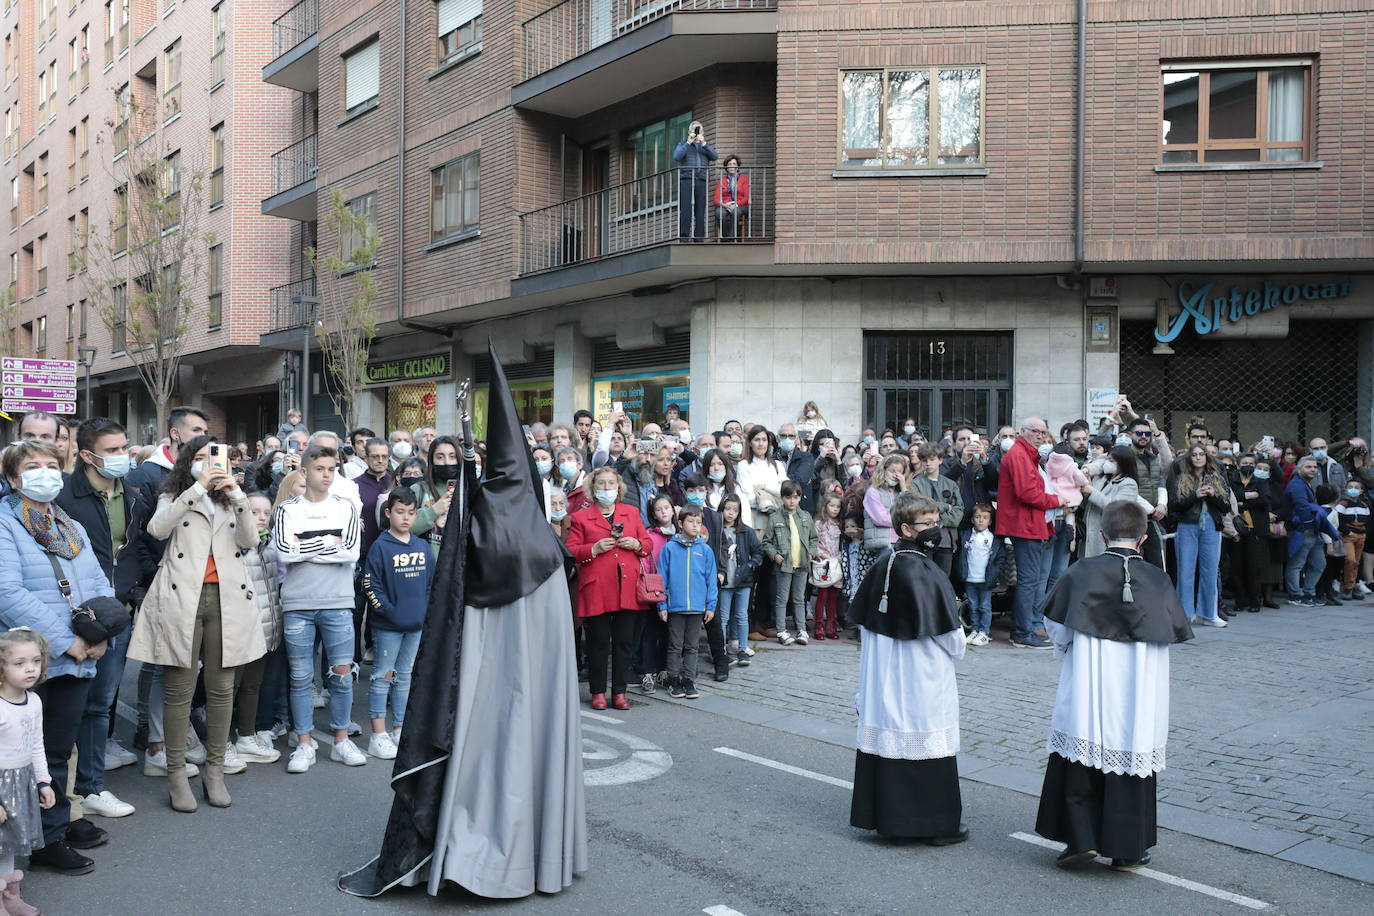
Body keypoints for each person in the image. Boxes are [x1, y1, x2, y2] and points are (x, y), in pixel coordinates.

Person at [1035, 501, 1193, 872]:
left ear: (1103, 535)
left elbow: (1056, 626)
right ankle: (1127, 849)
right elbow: (1169, 631)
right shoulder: (1157, 578)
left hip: (1091, 678)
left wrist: (1069, 646)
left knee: (1083, 745)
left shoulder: (1082, 572)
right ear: (1142, 539)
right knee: (1131, 749)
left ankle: (1081, 839)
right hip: (1139, 688)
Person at [127, 436, 265, 811]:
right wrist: (197, 488)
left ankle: (215, 771)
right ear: (187, 461)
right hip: (181, 596)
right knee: (179, 688)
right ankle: (175, 774)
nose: (208, 463)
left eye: (214, 458)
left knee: (222, 688)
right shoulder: (174, 493)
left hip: (228, 597)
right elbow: (157, 529)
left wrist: (236, 494)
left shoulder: (232, 495)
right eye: (200, 457)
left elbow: (250, 540)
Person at [0, 440, 114, 875]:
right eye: (32, 467)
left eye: (52, 465)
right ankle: (39, 839)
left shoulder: (68, 524)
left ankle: (54, 826)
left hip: (79, 653)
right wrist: (66, 640)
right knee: (26, 750)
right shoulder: (6, 523)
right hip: (31, 656)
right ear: (13, 478)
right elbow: (8, 592)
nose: (46, 473)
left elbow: (98, 582)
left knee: (58, 746)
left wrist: (102, 632)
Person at [848, 494, 967, 846]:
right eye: (927, 524)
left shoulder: (884, 561)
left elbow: (866, 623)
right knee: (924, 743)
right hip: (921, 677)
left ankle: (890, 820)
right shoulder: (925, 570)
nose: (935, 530)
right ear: (905, 528)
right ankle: (935, 825)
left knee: (892, 740)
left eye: (936, 521)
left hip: (884, 673)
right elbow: (952, 639)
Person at [54, 418, 138, 820]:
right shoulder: (65, 498)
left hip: (118, 611)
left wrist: (134, 588)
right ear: (88, 456)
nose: (124, 456)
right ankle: (60, 795)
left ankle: (90, 787)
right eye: (115, 450)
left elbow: (139, 546)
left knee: (101, 704)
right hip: (76, 619)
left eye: (125, 447)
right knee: (69, 705)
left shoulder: (134, 491)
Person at [274, 445, 364, 774]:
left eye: (332, 469)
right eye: (320, 468)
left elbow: (351, 552)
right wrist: (329, 541)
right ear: (305, 472)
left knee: (341, 676)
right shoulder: (287, 510)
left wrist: (306, 545)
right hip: (297, 604)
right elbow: (284, 551)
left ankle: (341, 740)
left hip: (338, 602)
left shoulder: (346, 508)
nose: (326, 474)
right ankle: (304, 743)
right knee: (300, 678)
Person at [567, 467, 652, 711]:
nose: (606, 488)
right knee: (598, 643)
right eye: (601, 484)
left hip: (627, 587)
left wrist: (637, 544)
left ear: (619, 488)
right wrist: (593, 549)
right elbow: (571, 550)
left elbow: (646, 543)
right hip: (597, 588)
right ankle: (597, 692)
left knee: (624, 643)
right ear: (593, 489)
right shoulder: (582, 517)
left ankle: (620, 692)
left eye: (611, 484)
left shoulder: (631, 512)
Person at [362, 487, 435, 761]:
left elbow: (430, 583)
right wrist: (390, 612)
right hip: (388, 626)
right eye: (400, 512)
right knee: (383, 676)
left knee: (405, 677)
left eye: (411, 513)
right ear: (388, 513)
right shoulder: (381, 547)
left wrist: (423, 612)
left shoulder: (421, 546)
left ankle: (400, 728)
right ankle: (378, 734)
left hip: (415, 625)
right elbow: (370, 585)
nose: (406, 518)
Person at [0, 628, 56, 915]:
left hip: (20, 781)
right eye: (19, 663)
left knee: (8, 843)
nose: (30, 668)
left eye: (35, 660)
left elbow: (36, 744)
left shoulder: (33, 702)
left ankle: (9, 897)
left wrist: (43, 781)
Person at [995, 418, 1064, 649]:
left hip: (1029, 524)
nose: (1040, 436)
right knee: (1029, 581)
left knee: (1030, 580)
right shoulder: (1019, 455)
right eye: (1035, 431)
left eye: (1043, 432)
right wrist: (1058, 501)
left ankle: (1023, 630)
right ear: (1022, 432)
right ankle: (1022, 633)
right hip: (1025, 525)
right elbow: (1027, 493)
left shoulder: (1025, 454)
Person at [232, 491, 283, 765]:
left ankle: (246, 737)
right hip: (241, 628)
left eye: (266, 512)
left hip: (266, 627)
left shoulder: (273, 543)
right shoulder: (235, 542)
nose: (261, 517)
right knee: (231, 685)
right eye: (254, 511)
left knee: (253, 685)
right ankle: (223, 743)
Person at [656, 505, 717, 700]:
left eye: (698, 522)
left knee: (692, 646)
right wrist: (662, 605)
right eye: (691, 521)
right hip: (675, 607)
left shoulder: (705, 550)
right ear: (680, 524)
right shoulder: (669, 549)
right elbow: (661, 578)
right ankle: (674, 680)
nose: (695, 525)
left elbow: (711, 579)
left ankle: (689, 680)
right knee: (675, 645)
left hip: (697, 608)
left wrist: (711, 605)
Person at [1168, 445, 1230, 627]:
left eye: (1201, 454)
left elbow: (1226, 506)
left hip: (1212, 524)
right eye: (1194, 455)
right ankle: (1185, 615)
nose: (1198, 458)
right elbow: (1175, 504)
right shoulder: (1180, 475)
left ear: (1207, 457)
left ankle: (1208, 614)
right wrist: (1195, 495)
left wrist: (1212, 495)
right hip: (1187, 524)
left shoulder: (1216, 476)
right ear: (1189, 458)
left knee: (1210, 570)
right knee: (1185, 571)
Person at [762, 480, 817, 646]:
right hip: (784, 564)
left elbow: (813, 538)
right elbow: (766, 542)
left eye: (795, 497)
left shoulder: (806, 517)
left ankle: (801, 630)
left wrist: (811, 553)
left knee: (799, 598)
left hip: (802, 563)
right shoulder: (775, 517)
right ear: (782, 498)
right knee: (782, 599)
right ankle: (781, 630)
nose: (792, 501)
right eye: (788, 497)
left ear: (800, 498)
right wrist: (774, 555)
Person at [1284, 456, 1338, 607]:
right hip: (1302, 531)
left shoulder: (1306, 484)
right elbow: (1302, 507)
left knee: (1319, 563)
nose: (1313, 469)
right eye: (1308, 467)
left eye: (1314, 467)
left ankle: (1308, 592)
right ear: (1299, 469)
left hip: (1312, 531)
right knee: (1296, 564)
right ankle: (1295, 595)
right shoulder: (1297, 485)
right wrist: (1308, 525)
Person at [713, 495, 760, 666]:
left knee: (741, 615)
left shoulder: (746, 531)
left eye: (735, 510)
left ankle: (743, 647)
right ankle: (722, 650)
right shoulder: (717, 530)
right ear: (722, 509)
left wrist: (750, 565)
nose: (731, 513)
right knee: (723, 616)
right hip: (725, 582)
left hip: (743, 580)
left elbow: (758, 552)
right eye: (728, 509)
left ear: (739, 512)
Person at [1078, 446, 1141, 560]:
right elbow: (1099, 461)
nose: (1107, 463)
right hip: (1088, 534)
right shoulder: (1102, 478)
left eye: (1111, 461)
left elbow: (1117, 508)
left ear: (1123, 463)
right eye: (1107, 459)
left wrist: (1092, 491)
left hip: (1107, 536)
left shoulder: (1129, 484)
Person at [911, 444, 963, 577]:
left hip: (946, 539)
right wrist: (945, 506)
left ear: (940, 460)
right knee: (924, 579)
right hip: (923, 539)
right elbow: (920, 508)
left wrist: (936, 518)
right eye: (924, 460)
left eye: (932, 459)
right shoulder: (915, 483)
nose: (928, 463)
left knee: (943, 580)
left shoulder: (950, 484)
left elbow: (958, 512)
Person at [958, 504, 1004, 647]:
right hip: (970, 577)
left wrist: (995, 573)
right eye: (977, 517)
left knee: (984, 606)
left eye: (985, 518)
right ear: (972, 519)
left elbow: (1000, 558)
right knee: (973, 605)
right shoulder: (966, 536)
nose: (980, 520)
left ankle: (984, 632)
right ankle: (974, 629)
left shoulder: (992, 538)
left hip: (985, 579)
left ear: (990, 521)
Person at [673, 120, 717, 240]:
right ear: (689, 132)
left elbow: (715, 156)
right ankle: (684, 236)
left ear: (702, 132)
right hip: (687, 179)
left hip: (701, 179)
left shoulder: (705, 146)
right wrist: (688, 142)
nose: (696, 133)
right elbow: (677, 156)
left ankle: (699, 237)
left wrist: (704, 143)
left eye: (698, 130)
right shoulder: (683, 144)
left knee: (700, 209)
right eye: (694, 130)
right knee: (686, 208)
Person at [863, 455, 909, 548]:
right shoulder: (873, 491)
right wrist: (904, 522)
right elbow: (880, 519)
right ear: (884, 470)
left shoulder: (899, 492)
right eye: (892, 471)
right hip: (882, 542)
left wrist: (904, 488)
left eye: (899, 472)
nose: (895, 475)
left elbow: (909, 510)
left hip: (900, 540)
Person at [1335, 477, 1369, 600]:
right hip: (1348, 536)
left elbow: (1367, 521)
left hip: (1361, 536)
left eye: (1356, 488)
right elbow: (1338, 519)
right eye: (1350, 487)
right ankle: (1348, 586)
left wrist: (1364, 533)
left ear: (1361, 491)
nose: (1353, 490)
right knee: (1350, 560)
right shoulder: (1342, 504)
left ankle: (1352, 585)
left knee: (1356, 562)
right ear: (1345, 489)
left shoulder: (1364, 505)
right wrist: (1347, 531)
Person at [713, 154, 750, 240]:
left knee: (735, 211)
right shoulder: (722, 181)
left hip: (740, 206)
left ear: (737, 167)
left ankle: (732, 238)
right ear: (726, 167)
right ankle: (727, 238)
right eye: (729, 164)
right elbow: (716, 199)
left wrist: (736, 205)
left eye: (734, 164)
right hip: (726, 205)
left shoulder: (744, 179)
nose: (732, 166)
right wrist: (725, 205)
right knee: (719, 212)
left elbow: (746, 198)